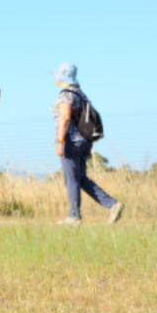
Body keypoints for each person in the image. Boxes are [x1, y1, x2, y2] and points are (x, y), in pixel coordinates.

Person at [53, 62, 124, 226]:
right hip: (85, 142)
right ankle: (113, 205)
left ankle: (74, 216)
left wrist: (60, 141)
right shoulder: (80, 94)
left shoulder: (65, 95)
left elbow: (64, 118)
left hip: (71, 142)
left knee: (71, 179)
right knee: (80, 178)